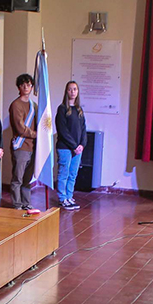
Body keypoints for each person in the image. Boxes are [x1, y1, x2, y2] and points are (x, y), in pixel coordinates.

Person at [8, 74, 38, 212]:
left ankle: (26, 202)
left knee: (27, 179)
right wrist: (35, 135)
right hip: (21, 146)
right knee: (18, 178)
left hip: (32, 147)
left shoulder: (34, 105)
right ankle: (17, 204)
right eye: (23, 85)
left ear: (32, 87)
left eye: (29, 84)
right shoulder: (16, 105)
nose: (26, 87)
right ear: (19, 87)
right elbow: (20, 128)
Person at [55, 81, 86, 211]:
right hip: (65, 147)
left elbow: (83, 129)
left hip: (77, 149)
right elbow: (62, 130)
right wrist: (74, 145)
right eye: (70, 89)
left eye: (75, 89)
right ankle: (62, 198)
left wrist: (82, 145)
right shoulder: (62, 109)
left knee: (73, 173)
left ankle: (69, 195)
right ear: (66, 91)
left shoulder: (79, 110)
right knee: (64, 172)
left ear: (77, 92)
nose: (72, 92)